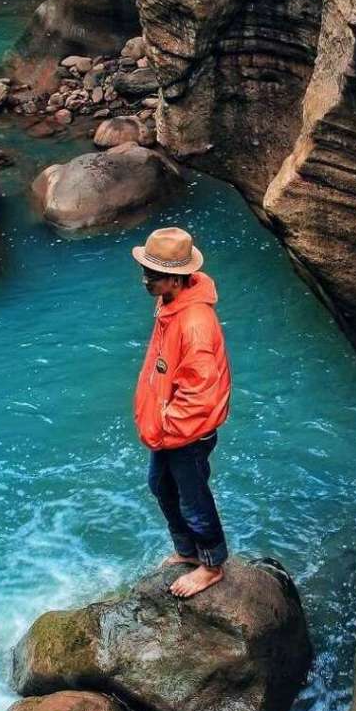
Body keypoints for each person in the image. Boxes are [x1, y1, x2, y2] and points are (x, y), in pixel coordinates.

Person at [132, 227, 232, 598]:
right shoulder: (170, 303)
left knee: (192, 495)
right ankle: (187, 551)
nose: (145, 280)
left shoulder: (195, 324)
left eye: (152, 275)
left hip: (186, 431)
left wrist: (166, 426)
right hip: (169, 426)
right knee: (160, 485)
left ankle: (211, 565)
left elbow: (200, 395)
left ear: (176, 278)